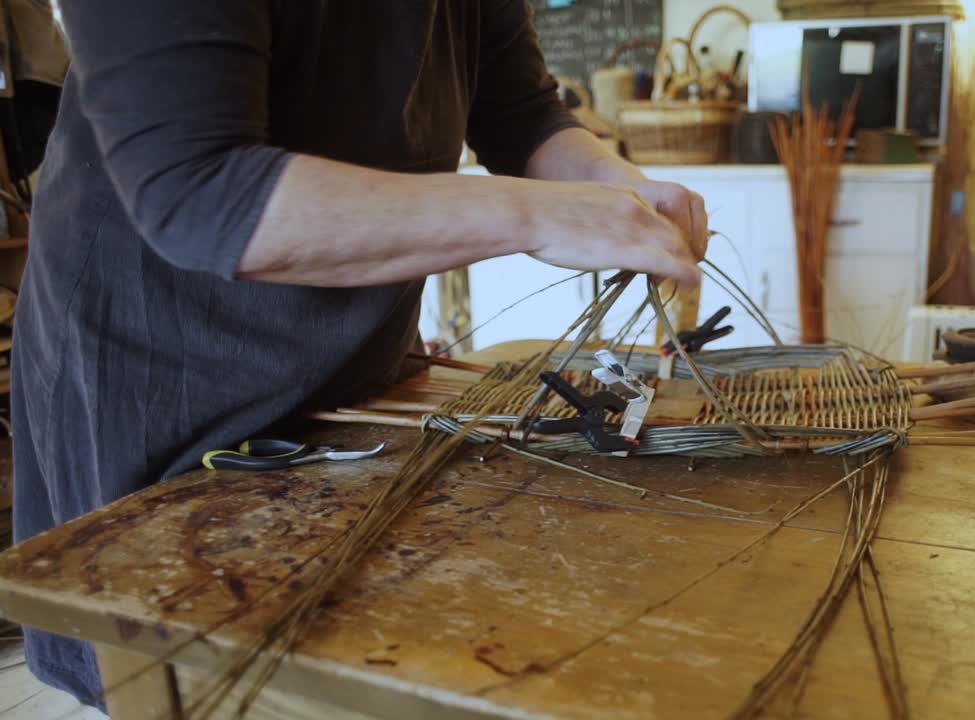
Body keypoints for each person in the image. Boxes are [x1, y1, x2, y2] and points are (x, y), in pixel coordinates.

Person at [12, 2, 707, 708]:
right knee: (196, 668)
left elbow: (522, 114)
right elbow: (201, 193)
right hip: (168, 367)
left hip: (353, 363)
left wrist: (615, 184)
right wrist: (535, 214)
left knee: (360, 642)